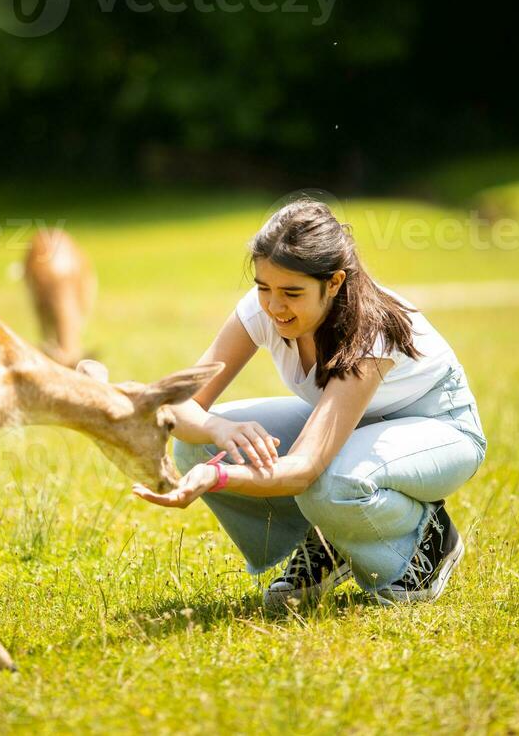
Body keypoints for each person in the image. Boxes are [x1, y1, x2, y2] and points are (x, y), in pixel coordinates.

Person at [133, 199, 487, 607]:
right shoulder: (262, 308)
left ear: (334, 282)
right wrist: (218, 429)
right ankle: (328, 541)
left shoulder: (369, 329)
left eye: (292, 293)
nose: (274, 306)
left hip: (441, 428)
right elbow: (179, 407)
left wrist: (219, 478)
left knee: (330, 485)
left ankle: (428, 539)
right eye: (263, 287)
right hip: (353, 426)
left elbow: (302, 470)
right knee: (199, 446)